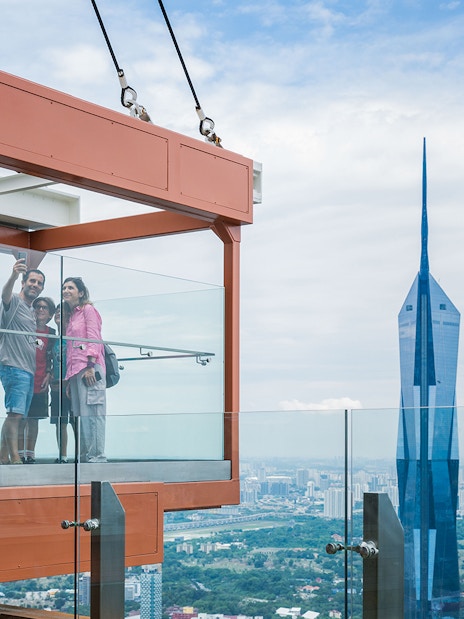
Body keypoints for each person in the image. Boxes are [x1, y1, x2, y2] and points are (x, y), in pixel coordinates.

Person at [0, 259, 45, 464]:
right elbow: (5, 295)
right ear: (24, 282)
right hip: (13, 367)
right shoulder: (15, 302)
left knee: (16, 415)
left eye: (39, 283)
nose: (35, 285)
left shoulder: (30, 309)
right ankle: (15, 458)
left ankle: (2, 457)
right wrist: (13, 275)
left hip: (27, 370)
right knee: (16, 415)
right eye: (32, 281)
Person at [62, 277, 107, 463]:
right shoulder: (72, 316)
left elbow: (93, 338)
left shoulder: (88, 310)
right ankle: (84, 458)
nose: (66, 290)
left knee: (94, 414)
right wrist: (68, 379)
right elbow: (72, 348)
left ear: (81, 292)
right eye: (64, 287)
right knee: (81, 416)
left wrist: (90, 366)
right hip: (76, 372)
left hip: (90, 368)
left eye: (70, 287)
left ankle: (97, 456)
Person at [18, 296, 56, 464]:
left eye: (45, 307)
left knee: (34, 419)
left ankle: (29, 454)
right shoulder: (26, 328)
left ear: (50, 314)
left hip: (41, 381)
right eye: (38, 306)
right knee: (20, 418)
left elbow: (54, 358)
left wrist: (49, 373)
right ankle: (18, 454)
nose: (40, 309)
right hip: (24, 378)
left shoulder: (52, 333)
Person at [50, 303, 74, 463]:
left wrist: (71, 381)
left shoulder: (74, 337)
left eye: (62, 311)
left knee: (75, 421)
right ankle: (63, 456)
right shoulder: (53, 339)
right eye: (57, 311)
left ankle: (80, 455)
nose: (58, 313)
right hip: (57, 387)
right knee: (60, 422)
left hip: (72, 387)